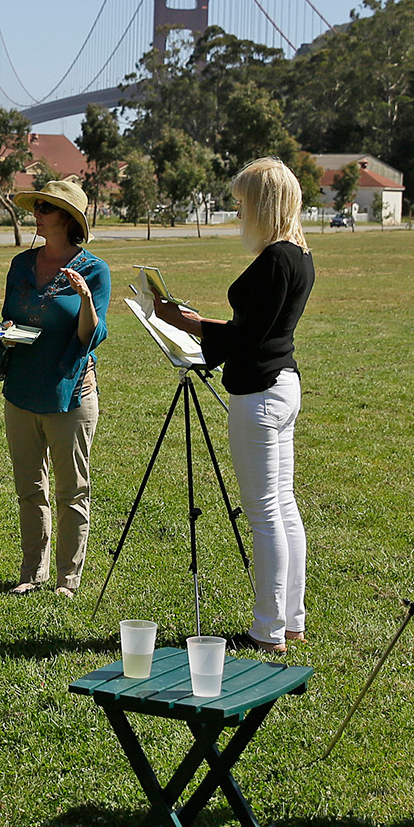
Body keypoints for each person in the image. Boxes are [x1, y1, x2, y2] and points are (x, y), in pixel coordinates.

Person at [157, 158, 316, 652]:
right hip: (281, 384)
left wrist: (190, 325)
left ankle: (269, 630)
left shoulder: (275, 260)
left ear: (264, 204)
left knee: (265, 513)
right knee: (283, 508)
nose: (239, 209)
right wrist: (201, 324)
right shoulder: (298, 255)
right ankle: (290, 619)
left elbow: (248, 337)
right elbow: (258, 330)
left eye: (244, 201)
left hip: (261, 393)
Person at [0, 179, 110, 597]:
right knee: (29, 487)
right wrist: (5, 332)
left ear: (68, 219)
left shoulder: (94, 270)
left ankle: (68, 578)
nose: (37, 213)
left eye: (46, 207)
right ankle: (32, 571)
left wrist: (85, 300)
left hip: (70, 394)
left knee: (70, 490)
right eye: (38, 205)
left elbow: (89, 336)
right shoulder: (20, 265)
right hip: (22, 390)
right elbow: (10, 317)